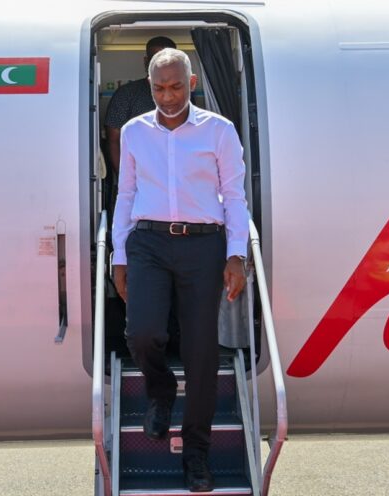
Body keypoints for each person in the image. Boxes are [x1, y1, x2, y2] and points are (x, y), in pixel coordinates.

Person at [111, 48, 249, 492]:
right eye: (158, 88)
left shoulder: (219, 130)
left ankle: (196, 455)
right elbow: (125, 194)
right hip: (148, 242)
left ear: (191, 84)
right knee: (142, 333)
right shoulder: (134, 131)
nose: (167, 97)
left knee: (201, 352)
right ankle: (161, 390)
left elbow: (235, 196)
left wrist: (236, 254)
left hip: (203, 245)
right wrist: (118, 255)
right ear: (148, 86)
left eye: (175, 87)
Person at [104, 36, 177, 175]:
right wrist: (126, 179)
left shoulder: (184, 95)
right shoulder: (126, 94)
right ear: (146, 61)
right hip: (140, 175)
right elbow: (113, 140)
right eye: (156, 59)